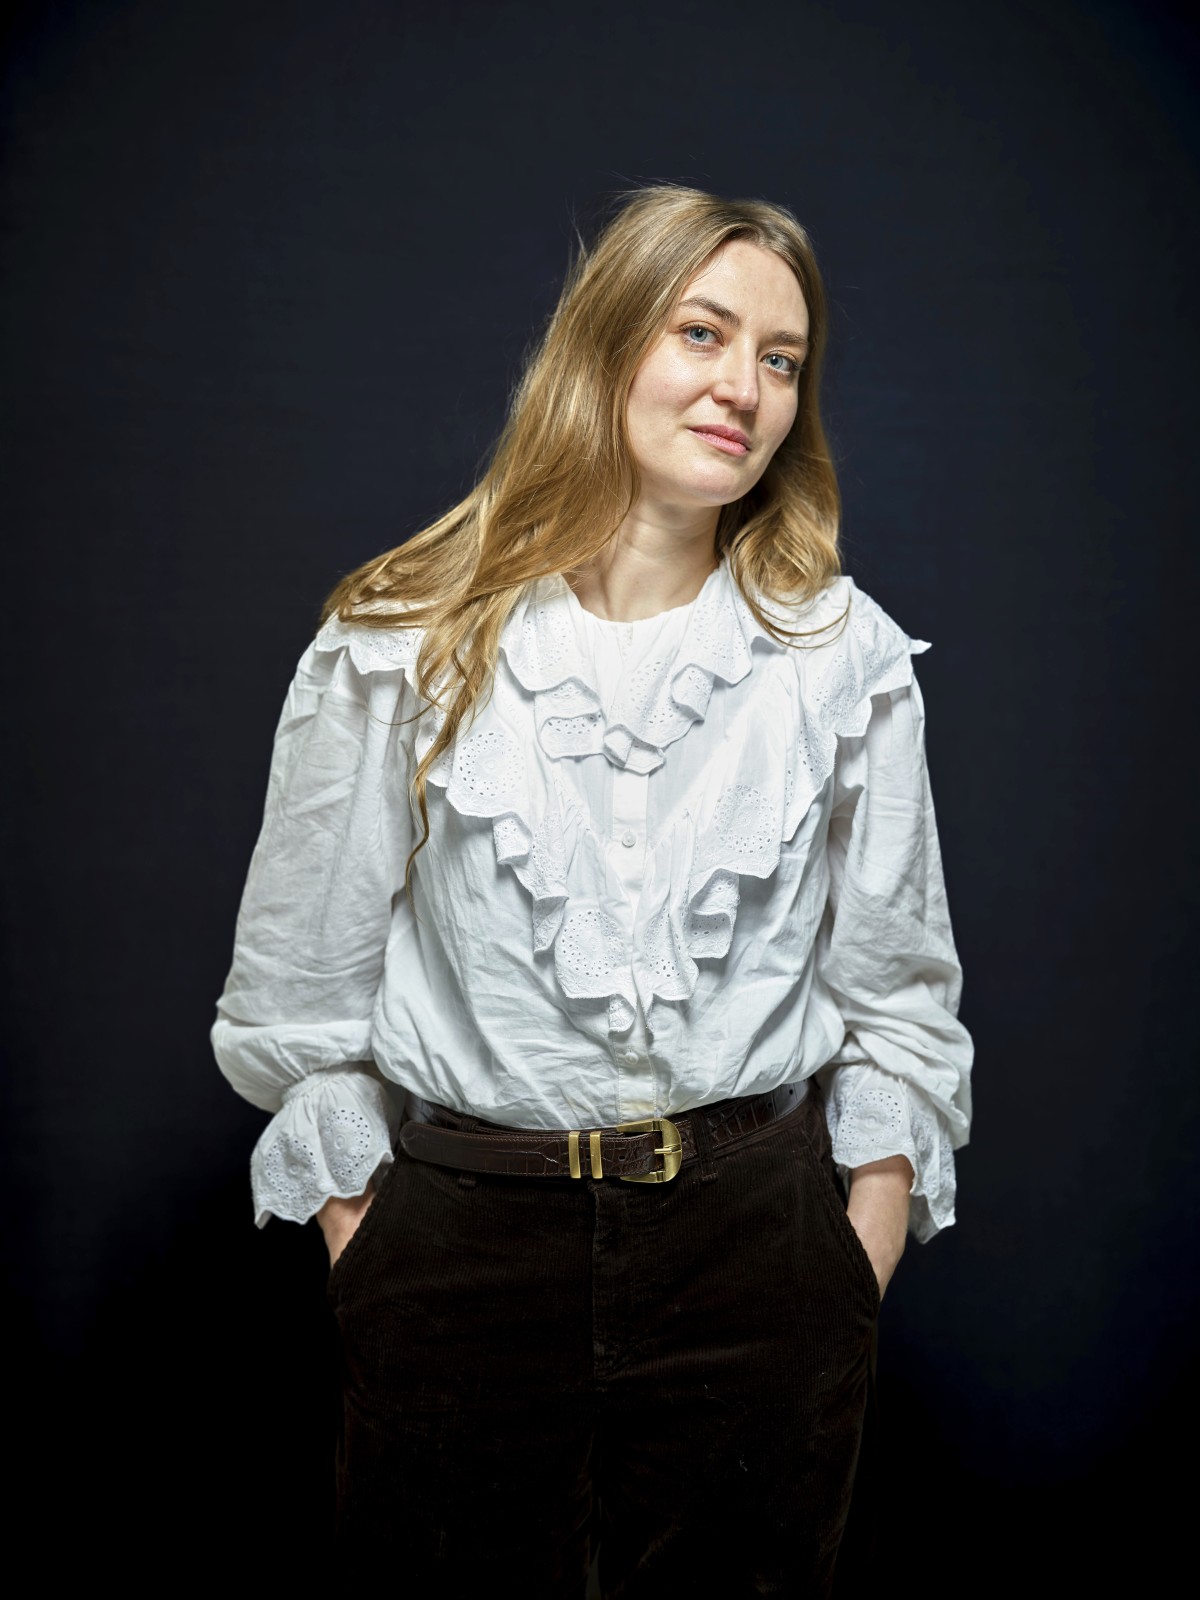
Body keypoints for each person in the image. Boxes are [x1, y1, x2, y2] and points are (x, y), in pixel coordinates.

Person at [211, 183, 973, 1595]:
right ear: (607, 342)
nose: (744, 388)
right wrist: (375, 1257)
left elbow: (901, 1002)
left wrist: (844, 1277)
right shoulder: (400, 640)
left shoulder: (841, 658)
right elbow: (298, 1000)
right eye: (703, 333)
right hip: (461, 1254)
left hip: (759, 1256)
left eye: (782, 359)